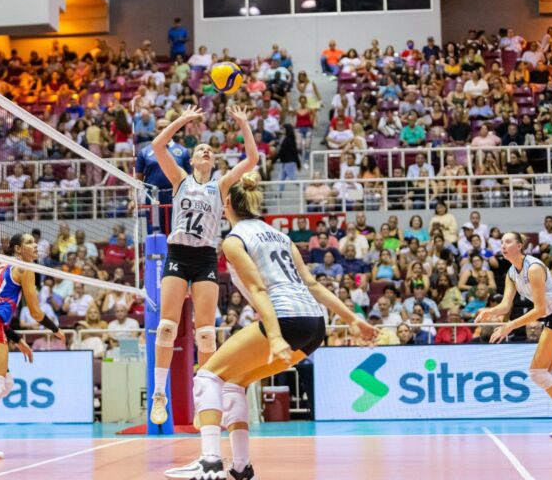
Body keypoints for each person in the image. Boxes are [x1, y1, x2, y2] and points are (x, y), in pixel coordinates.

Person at [164, 173, 377, 479]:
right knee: (233, 383)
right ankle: (241, 467)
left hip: (285, 319)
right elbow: (313, 284)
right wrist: (352, 319)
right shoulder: (281, 236)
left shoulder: (234, 240)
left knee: (208, 376)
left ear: (226, 204)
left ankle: (210, 461)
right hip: (314, 325)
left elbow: (259, 289)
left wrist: (275, 336)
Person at [150, 105, 259, 426]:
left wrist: (243, 124)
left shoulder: (220, 185)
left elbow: (252, 159)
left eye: (210, 149)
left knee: (207, 335)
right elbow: (158, 145)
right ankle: (159, 394)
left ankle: (205, 401)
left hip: (205, 258)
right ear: (193, 160)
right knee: (167, 327)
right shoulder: (180, 179)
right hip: (177, 254)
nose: (206, 151)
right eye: (200, 149)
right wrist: (182, 120)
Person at [0, 233, 65, 459]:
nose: (35, 245)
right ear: (17, 249)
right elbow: (35, 313)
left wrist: (17, 339)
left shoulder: (0, 267)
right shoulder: (25, 268)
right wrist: (56, 329)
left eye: (35, 242)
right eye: (29, 242)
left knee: (6, 383)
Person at [476, 232, 552, 438]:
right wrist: (491, 311)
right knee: (547, 375)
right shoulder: (511, 273)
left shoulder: (533, 268)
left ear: (520, 246)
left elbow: (539, 309)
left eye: (508, 241)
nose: (503, 245)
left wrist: (510, 326)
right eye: (501, 242)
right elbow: (506, 305)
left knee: (536, 373)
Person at [135, 119, 191, 233]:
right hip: (153, 196)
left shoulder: (183, 151)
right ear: (155, 130)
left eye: (166, 127)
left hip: (176, 195)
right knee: (155, 231)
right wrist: (135, 199)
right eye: (160, 127)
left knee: (175, 230)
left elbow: (189, 177)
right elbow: (138, 179)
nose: (164, 130)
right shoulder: (144, 152)